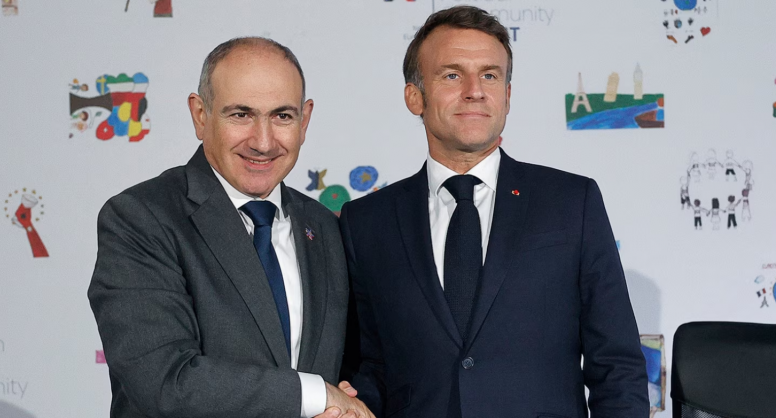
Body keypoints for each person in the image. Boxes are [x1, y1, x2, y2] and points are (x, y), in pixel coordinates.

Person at [339, 6, 649, 417]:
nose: (475, 90)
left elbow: (618, 366)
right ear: (415, 96)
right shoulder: (366, 222)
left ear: (507, 95)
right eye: (452, 75)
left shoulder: (572, 202)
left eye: (489, 75)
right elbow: (370, 367)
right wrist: (352, 402)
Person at [88, 37, 372, 418]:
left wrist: (344, 401)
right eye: (241, 115)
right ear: (200, 115)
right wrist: (316, 394)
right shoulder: (140, 218)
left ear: (304, 121)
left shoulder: (325, 227)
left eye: (282, 116)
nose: (263, 142)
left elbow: (353, 368)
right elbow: (167, 382)